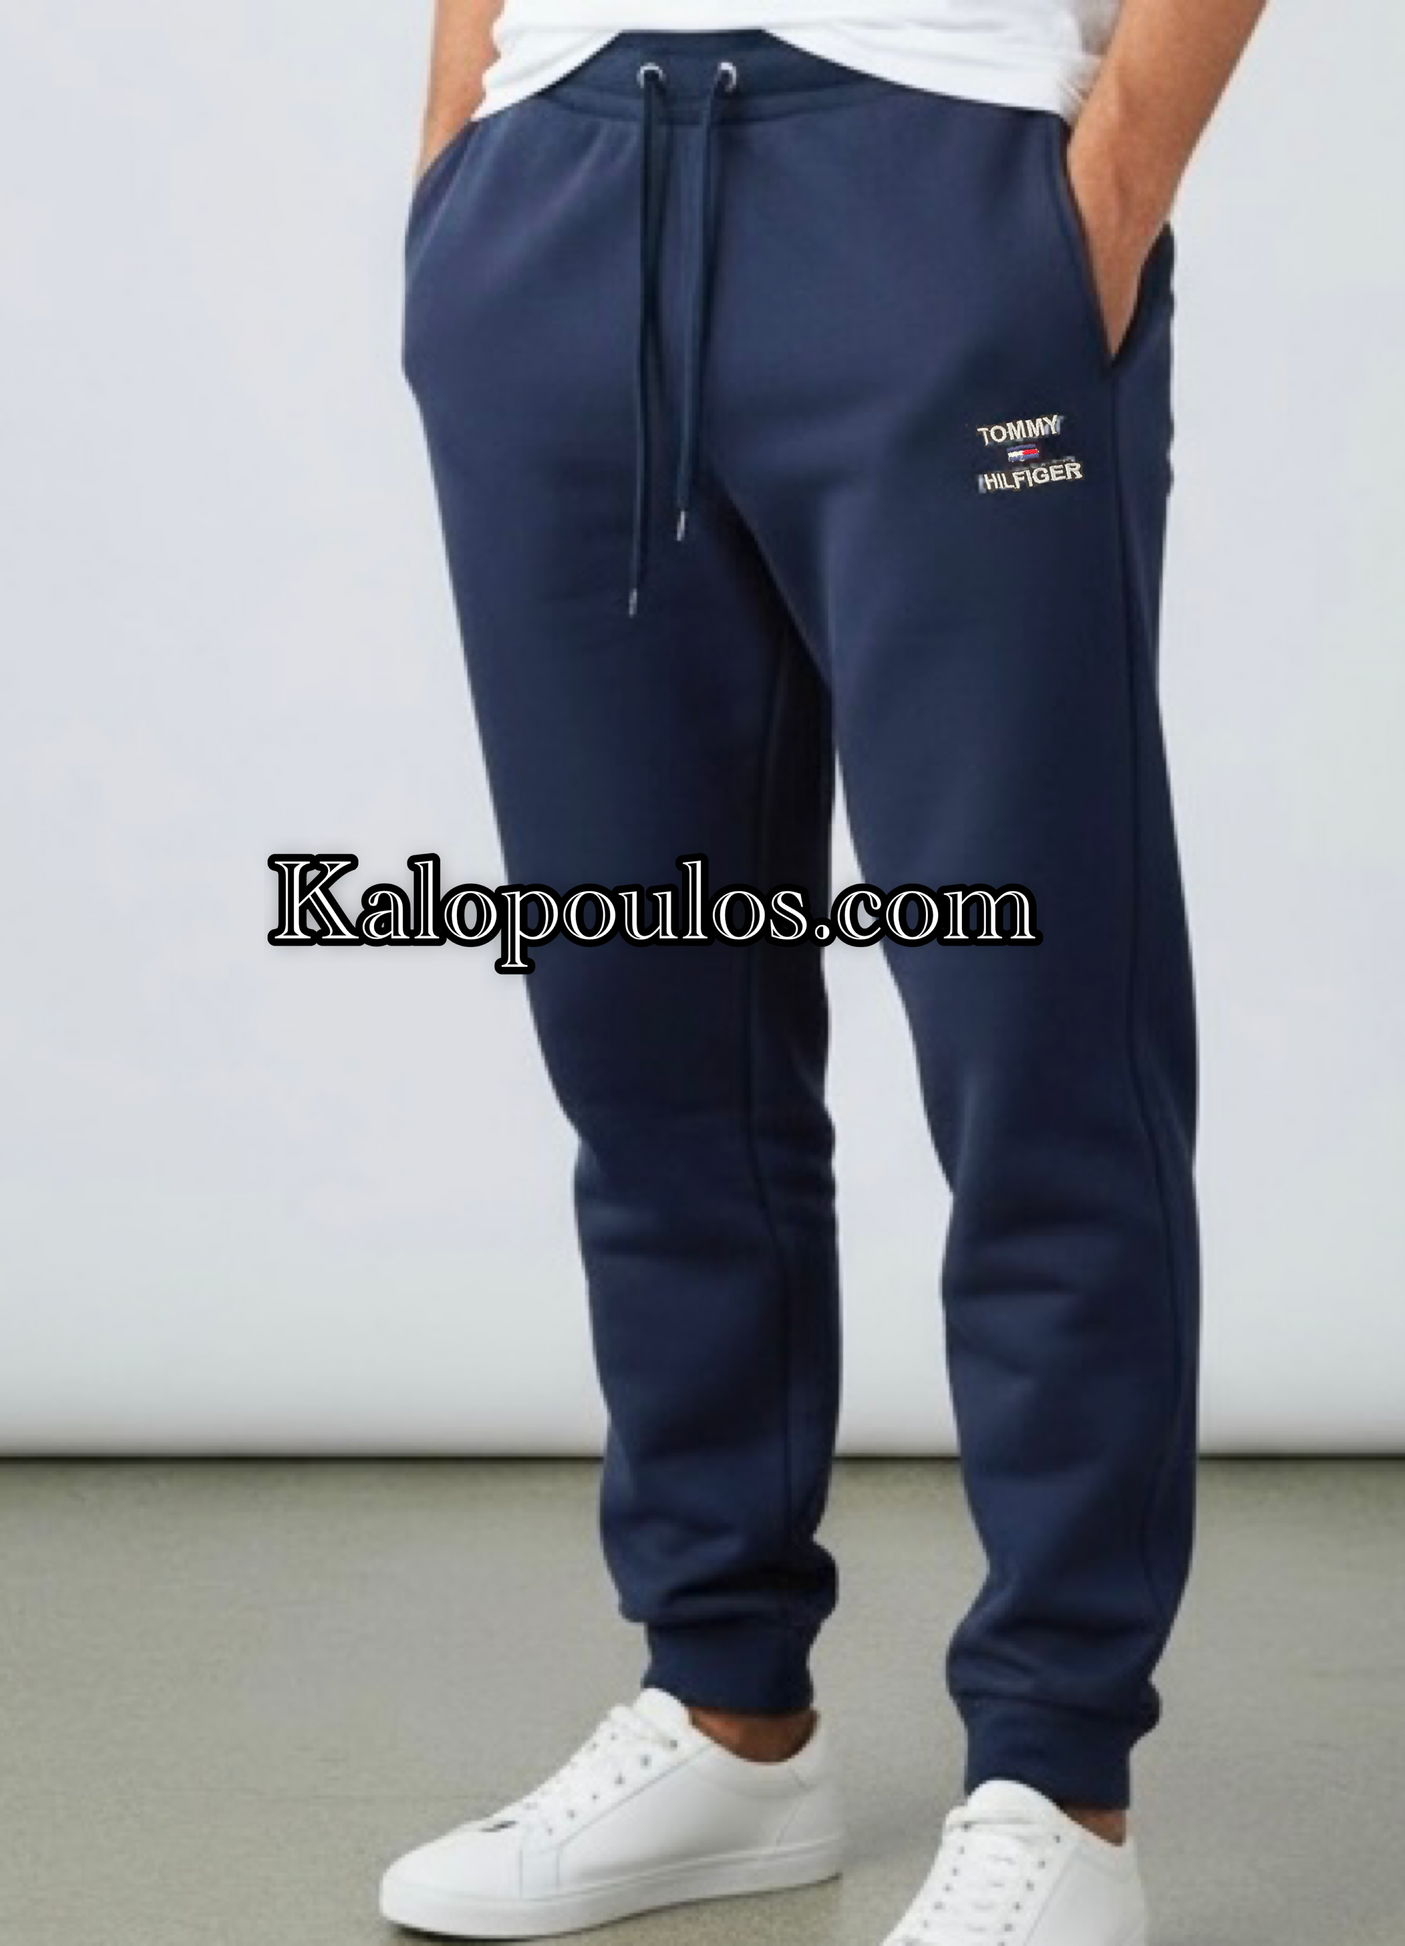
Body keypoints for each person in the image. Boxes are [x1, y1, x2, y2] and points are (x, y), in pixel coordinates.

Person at [381, 0, 1264, 1936]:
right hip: (553, 199)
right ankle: (723, 1710)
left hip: (941, 178)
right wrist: (460, 161)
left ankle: (1054, 1778)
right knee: (644, 1033)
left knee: (1039, 1038)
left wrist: (1104, 193)